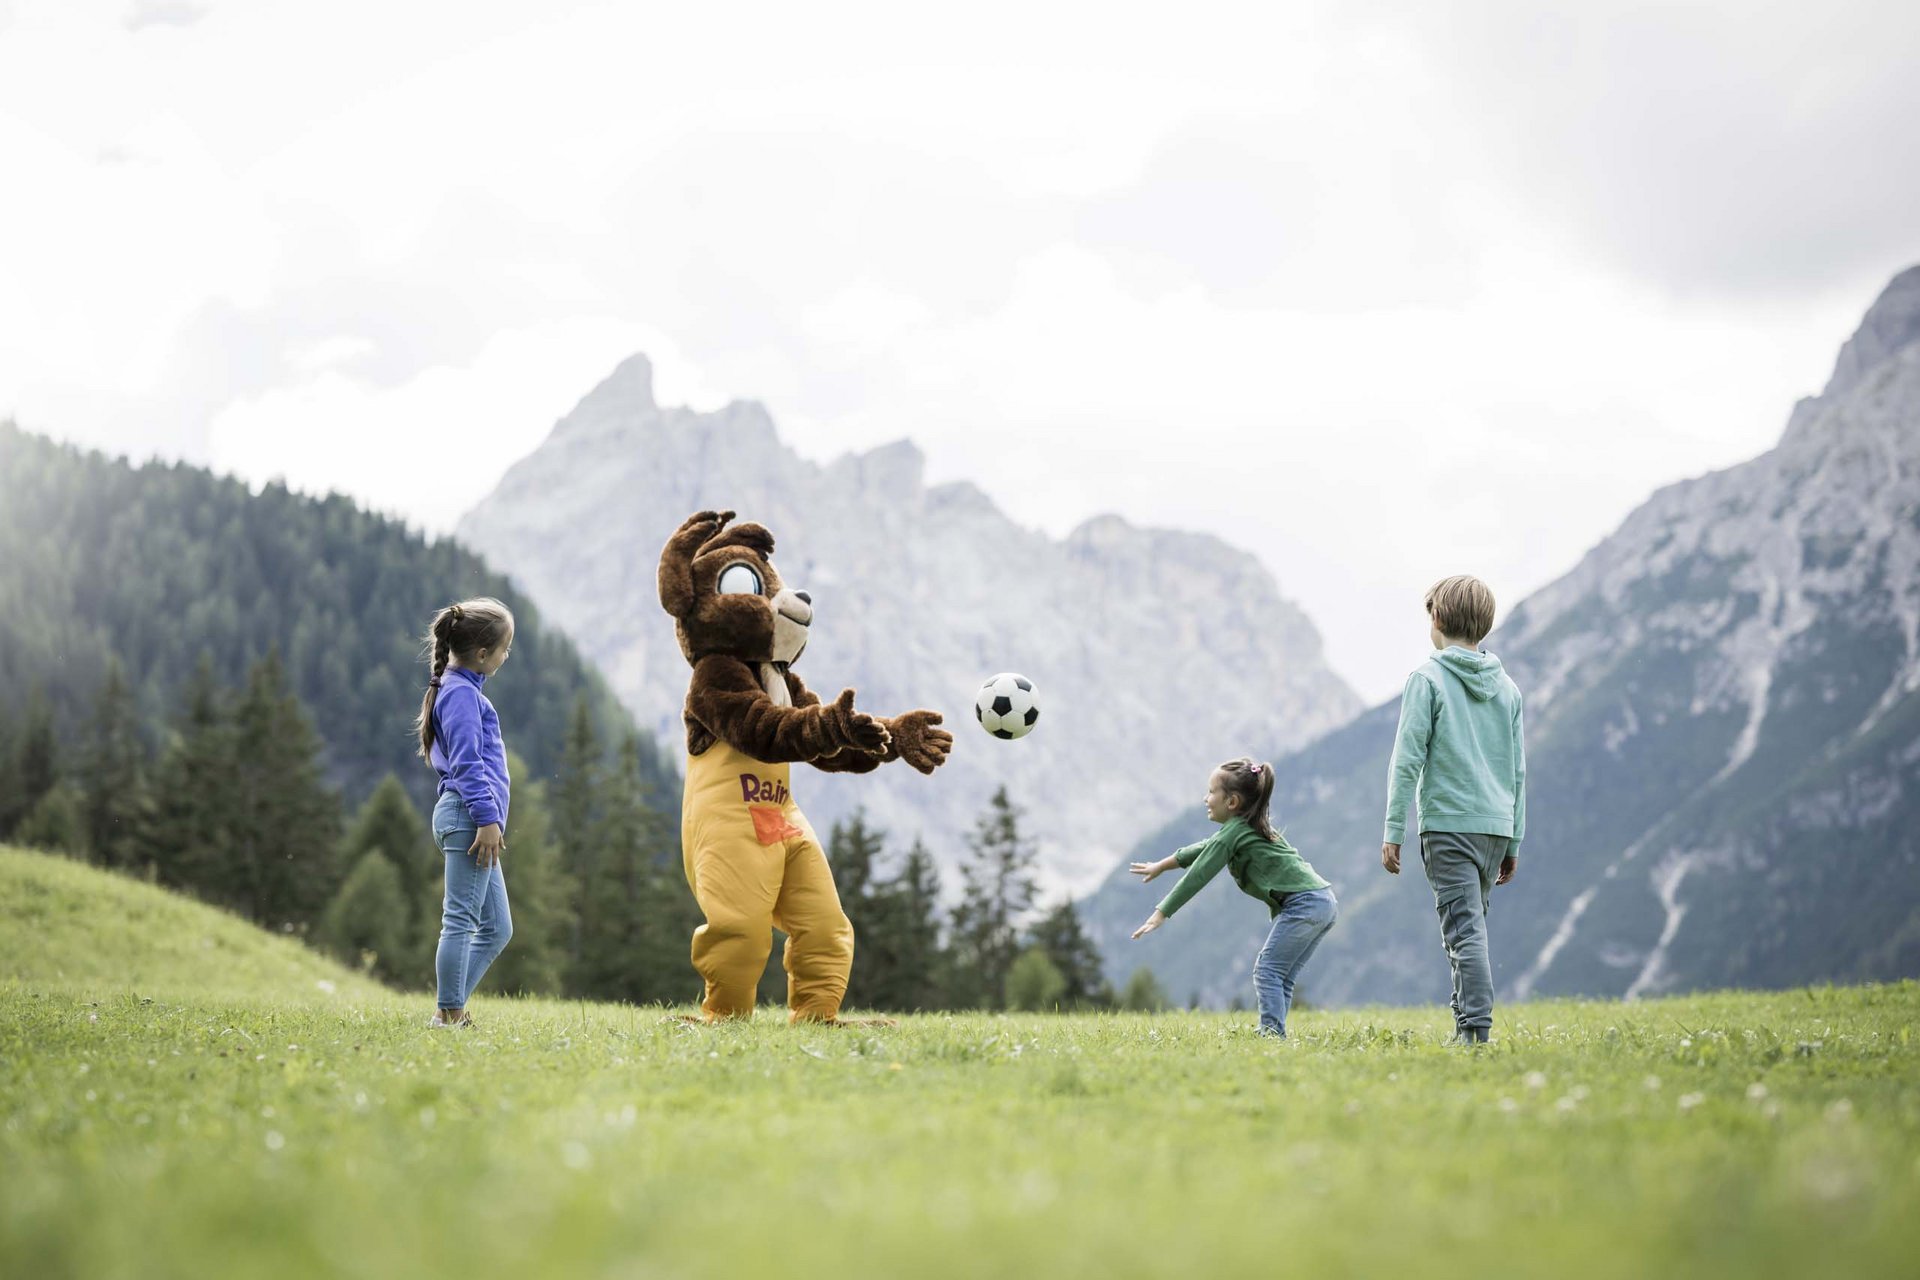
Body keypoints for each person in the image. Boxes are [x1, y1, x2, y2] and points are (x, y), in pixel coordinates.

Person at [1381, 574, 1526, 1045]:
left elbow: (1407, 761)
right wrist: (1514, 839)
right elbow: (1518, 773)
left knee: (1464, 933)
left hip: (1448, 827)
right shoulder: (1508, 690)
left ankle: (1475, 1035)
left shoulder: (1427, 679)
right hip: (1495, 829)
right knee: (1470, 926)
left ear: (1437, 619)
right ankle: (1465, 1025)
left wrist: (1392, 829)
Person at [1129, 757, 1336, 1038]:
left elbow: (1198, 875)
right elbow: (1203, 849)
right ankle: (1274, 1033)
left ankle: (1272, 1036)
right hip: (1322, 901)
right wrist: (1161, 865)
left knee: (1267, 971)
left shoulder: (1235, 833)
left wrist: (1161, 913)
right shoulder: (1246, 827)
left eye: (1212, 792)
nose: (1205, 798)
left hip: (1306, 904)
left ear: (1232, 802)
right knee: (1281, 977)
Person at [415, 597, 516, 1028]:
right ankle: (450, 1013)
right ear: (482, 655)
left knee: (497, 928)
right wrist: (488, 819)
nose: (506, 655)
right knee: (459, 920)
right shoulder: (459, 695)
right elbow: (467, 763)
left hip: (469, 816)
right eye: (504, 648)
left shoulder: (461, 690)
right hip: (468, 818)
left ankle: (448, 1008)